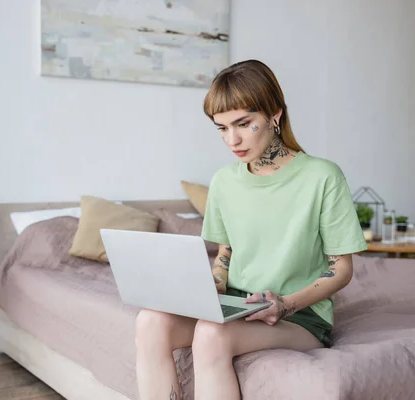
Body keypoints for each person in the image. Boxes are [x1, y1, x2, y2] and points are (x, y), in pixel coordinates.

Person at [134, 59, 368, 400]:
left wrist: (284, 304)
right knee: (149, 321)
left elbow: (341, 268)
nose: (233, 139)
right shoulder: (224, 181)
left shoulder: (322, 176)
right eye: (222, 128)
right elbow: (226, 252)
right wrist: (209, 286)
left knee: (212, 334)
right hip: (236, 305)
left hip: (298, 316)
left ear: (274, 115)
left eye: (244, 123)